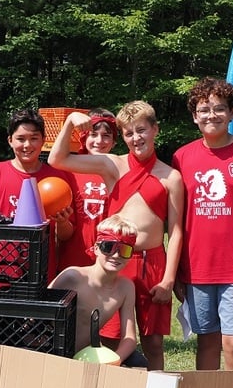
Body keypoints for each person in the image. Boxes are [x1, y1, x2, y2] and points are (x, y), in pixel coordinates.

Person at [49, 101, 184, 371]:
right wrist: (69, 123)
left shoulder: (171, 177)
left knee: (153, 342)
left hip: (152, 262)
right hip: (115, 259)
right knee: (109, 337)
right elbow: (57, 159)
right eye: (129, 133)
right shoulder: (112, 165)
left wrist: (169, 279)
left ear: (155, 129)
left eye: (142, 130)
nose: (136, 138)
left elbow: (177, 229)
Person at [171, 76, 233, 371]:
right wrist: (177, 272)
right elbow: (177, 220)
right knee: (207, 341)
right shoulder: (182, 157)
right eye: (204, 109)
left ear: (232, 113)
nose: (211, 115)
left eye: (219, 108)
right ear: (194, 116)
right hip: (197, 268)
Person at [0, 108, 74, 280]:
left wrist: (63, 221)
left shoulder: (58, 178)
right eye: (20, 139)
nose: (27, 145)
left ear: (43, 141)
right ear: (10, 140)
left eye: (34, 138)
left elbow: (66, 235)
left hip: (41, 269)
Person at [49, 215, 138, 364]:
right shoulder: (73, 276)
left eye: (124, 250)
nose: (116, 255)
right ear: (96, 248)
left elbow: (129, 338)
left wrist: (116, 360)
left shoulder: (125, 288)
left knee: (138, 362)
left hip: (86, 357)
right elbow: (36, 315)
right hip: (51, 353)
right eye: (108, 247)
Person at [56, 108, 119, 271]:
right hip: (74, 261)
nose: (99, 140)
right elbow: (64, 234)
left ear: (114, 142)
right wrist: (62, 222)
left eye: (106, 136)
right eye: (93, 134)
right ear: (84, 137)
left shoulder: (120, 171)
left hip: (108, 261)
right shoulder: (69, 172)